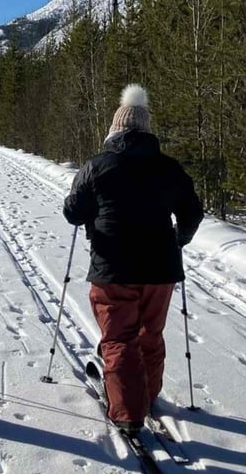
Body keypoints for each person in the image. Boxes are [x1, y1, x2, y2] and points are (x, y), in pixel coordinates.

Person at [63, 84, 203, 432]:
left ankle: (128, 412)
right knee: (150, 333)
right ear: (146, 129)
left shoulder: (97, 166)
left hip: (113, 267)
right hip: (161, 268)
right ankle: (148, 392)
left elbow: (73, 212)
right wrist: (178, 241)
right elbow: (192, 212)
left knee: (119, 338)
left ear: (115, 129)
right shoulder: (170, 168)